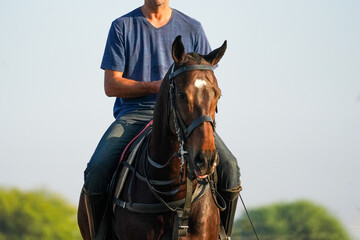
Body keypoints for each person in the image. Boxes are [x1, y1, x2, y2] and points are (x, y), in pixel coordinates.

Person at [78, 0, 241, 239]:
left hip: (187, 116)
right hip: (135, 114)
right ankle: (100, 234)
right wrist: (156, 87)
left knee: (230, 168)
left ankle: (223, 233)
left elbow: (204, 80)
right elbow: (111, 85)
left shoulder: (193, 28)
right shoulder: (122, 26)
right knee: (96, 170)